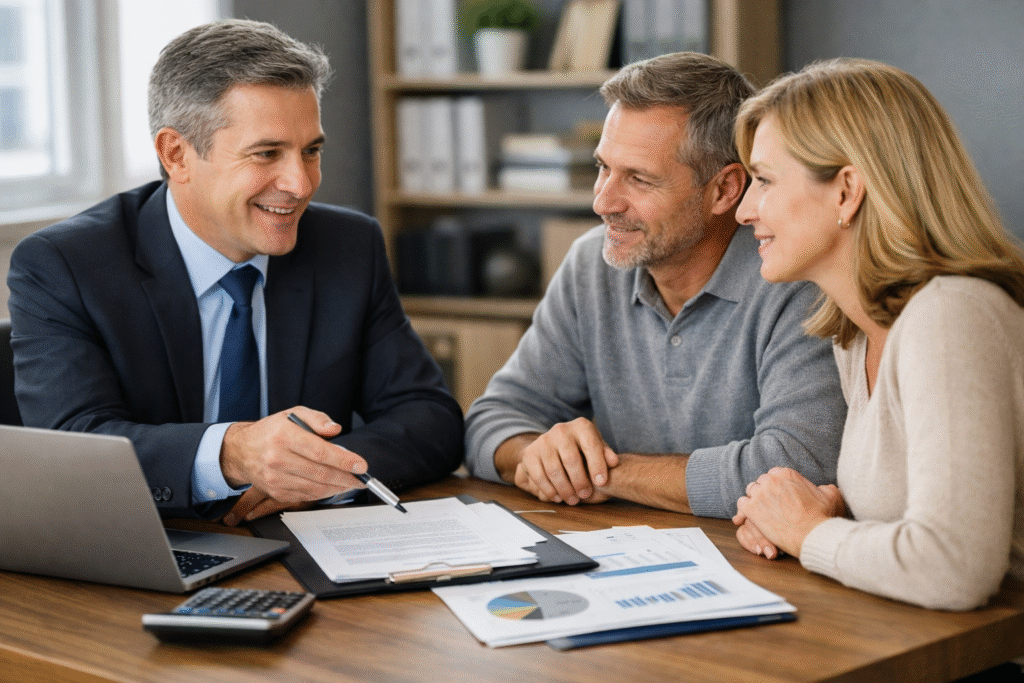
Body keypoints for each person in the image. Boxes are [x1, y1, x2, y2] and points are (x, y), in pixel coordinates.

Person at [6, 19, 463, 523]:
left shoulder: (348, 247)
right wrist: (232, 453)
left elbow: (430, 418)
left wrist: (317, 477)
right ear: (176, 154)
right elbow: (74, 449)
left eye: (311, 151)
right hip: (149, 543)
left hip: (298, 539)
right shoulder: (65, 266)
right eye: (267, 154)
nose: (300, 184)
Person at [463, 52, 847, 520]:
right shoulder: (591, 264)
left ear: (725, 190)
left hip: (753, 558)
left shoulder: (797, 277)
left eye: (639, 179)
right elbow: (489, 421)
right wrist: (536, 455)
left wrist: (599, 473)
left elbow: (797, 467)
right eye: (603, 168)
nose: (603, 202)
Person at [732, 58, 1024, 612]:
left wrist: (807, 532)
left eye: (764, 180)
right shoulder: (854, 335)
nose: (744, 210)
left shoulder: (949, 316)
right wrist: (824, 521)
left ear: (846, 192)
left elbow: (954, 568)